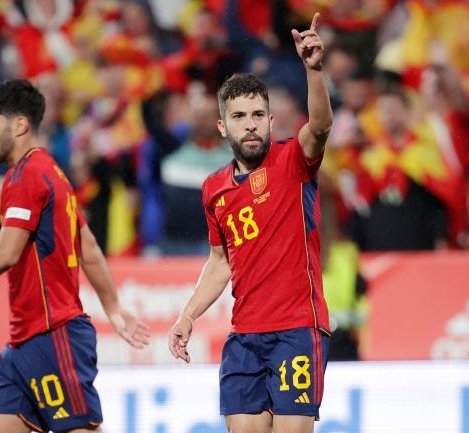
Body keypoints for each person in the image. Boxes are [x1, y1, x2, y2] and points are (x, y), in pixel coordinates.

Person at [0, 79, 150, 433]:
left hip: (52, 334)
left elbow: (7, 253)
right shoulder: (52, 172)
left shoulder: (25, 175)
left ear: (20, 124)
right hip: (24, 341)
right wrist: (112, 308)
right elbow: (88, 247)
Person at [168, 13, 332, 433]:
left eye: (258, 114)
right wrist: (188, 316)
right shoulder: (214, 188)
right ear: (223, 126)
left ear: (271, 121)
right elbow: (220, 260)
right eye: (239, 116)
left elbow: (320, 126)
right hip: (244, 337)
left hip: (296, 329)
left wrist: (314, 71)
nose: (250, 124)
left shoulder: (293, 161)